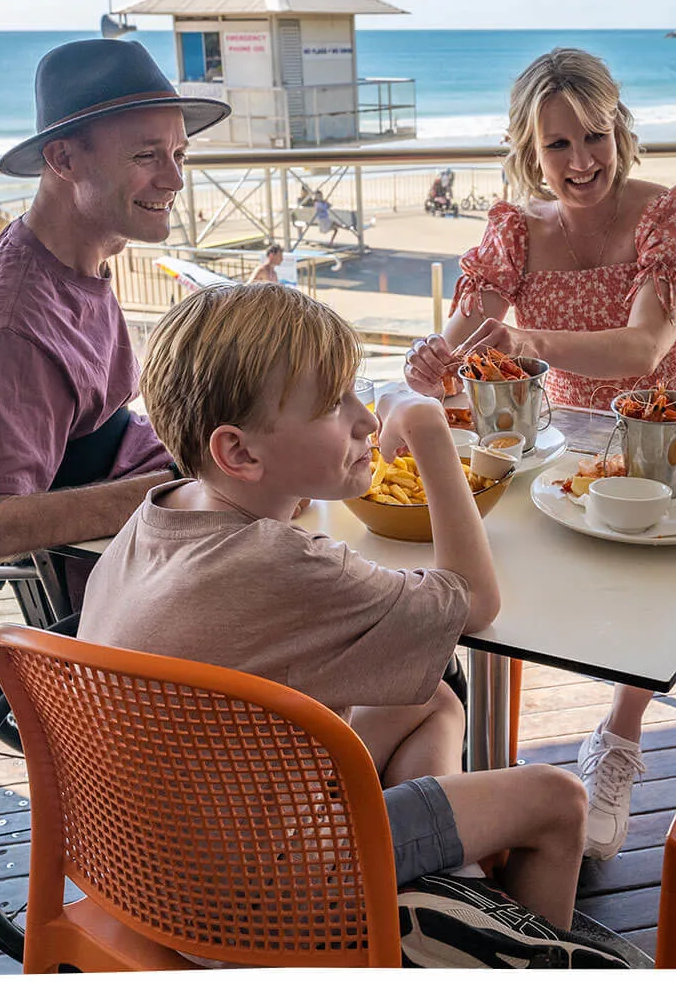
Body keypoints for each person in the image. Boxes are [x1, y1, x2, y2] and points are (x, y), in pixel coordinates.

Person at [79, 282, 624, 966]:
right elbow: (474, 600)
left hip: (149, 865)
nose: (365, 420)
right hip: (257, 901)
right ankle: (513, 949)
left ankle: (438, 881)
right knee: (558, 799)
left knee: (429, 698)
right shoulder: (285, 565)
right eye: (335, 406)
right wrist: (427, 429)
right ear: (240, 454)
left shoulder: (162, 511)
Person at [401, 47, 676, 861]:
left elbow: (642, 346)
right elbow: (471, 325)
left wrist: (527, 336)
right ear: (531, 151)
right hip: (558, 437)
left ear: (619, 128)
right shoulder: (513, 230)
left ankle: (623, 739)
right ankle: (487, 781)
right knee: (503, 566)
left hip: (663, 429)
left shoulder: (670, 214)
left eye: (595, 136)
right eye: (558, 146)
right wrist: (437, 356)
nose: (582, 161)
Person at [0, 38, 230, 569]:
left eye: (179, 154)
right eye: (146, 156)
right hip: (130, 576)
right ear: (64, 159)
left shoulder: (72, 248)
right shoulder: (16, 329)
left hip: (149, 485)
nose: (175, 179)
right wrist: (188, 488)